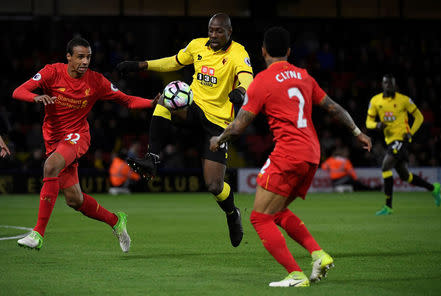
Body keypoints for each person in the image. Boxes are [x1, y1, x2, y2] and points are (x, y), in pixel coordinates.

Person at [210, 27, 372, 287]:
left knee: (259, 218)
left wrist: (218, 139)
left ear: (263, 51)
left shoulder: (262, 80)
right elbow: (334, 107)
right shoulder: (304, 77)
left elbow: (239, 126)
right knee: (278, 212)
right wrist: (357, 132)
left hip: (288, 153)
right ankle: (319, 255)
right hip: (312, 154)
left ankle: (295, 274)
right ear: (288, 51)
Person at [116, 13, 253, 247]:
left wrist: (240, 92)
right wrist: (141, 65)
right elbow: (173, 61)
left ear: (229, 32)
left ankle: (233, 214)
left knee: (214, 185)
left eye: (219, 31)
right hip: (192, 107)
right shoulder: (197, 45)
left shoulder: (238, 53)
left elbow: (247, 79)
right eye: (211, 30)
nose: (213, 35)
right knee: (165, 98)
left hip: (217, 123)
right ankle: (152, 157)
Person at [12, 37, 156, 251]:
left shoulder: (96, 81)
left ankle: (38, 234)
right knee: (74, 200)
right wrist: (35, 98)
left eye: (88, 57)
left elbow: (127, 100)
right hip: (53, 140)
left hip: (77, 136)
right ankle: (116, 221)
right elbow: (18, 91)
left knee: (50, 166)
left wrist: (153, 103)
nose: (85, 61)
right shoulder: (52, 72)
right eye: (80, 56)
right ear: (68, 57)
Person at [366, 74, 441, 216]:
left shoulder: (404, 100)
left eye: (391, 83)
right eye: (386, 83)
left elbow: (419, 117)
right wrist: (377, 125)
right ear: (382, 84)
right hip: (389, 141)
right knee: (405, 176)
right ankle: (433, 188)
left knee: (385, 166)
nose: (389, 85)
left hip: (401, 139)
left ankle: (388, 206)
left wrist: (411, 132)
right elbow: (368, 123)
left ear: (395, 85)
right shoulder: (375, 101)